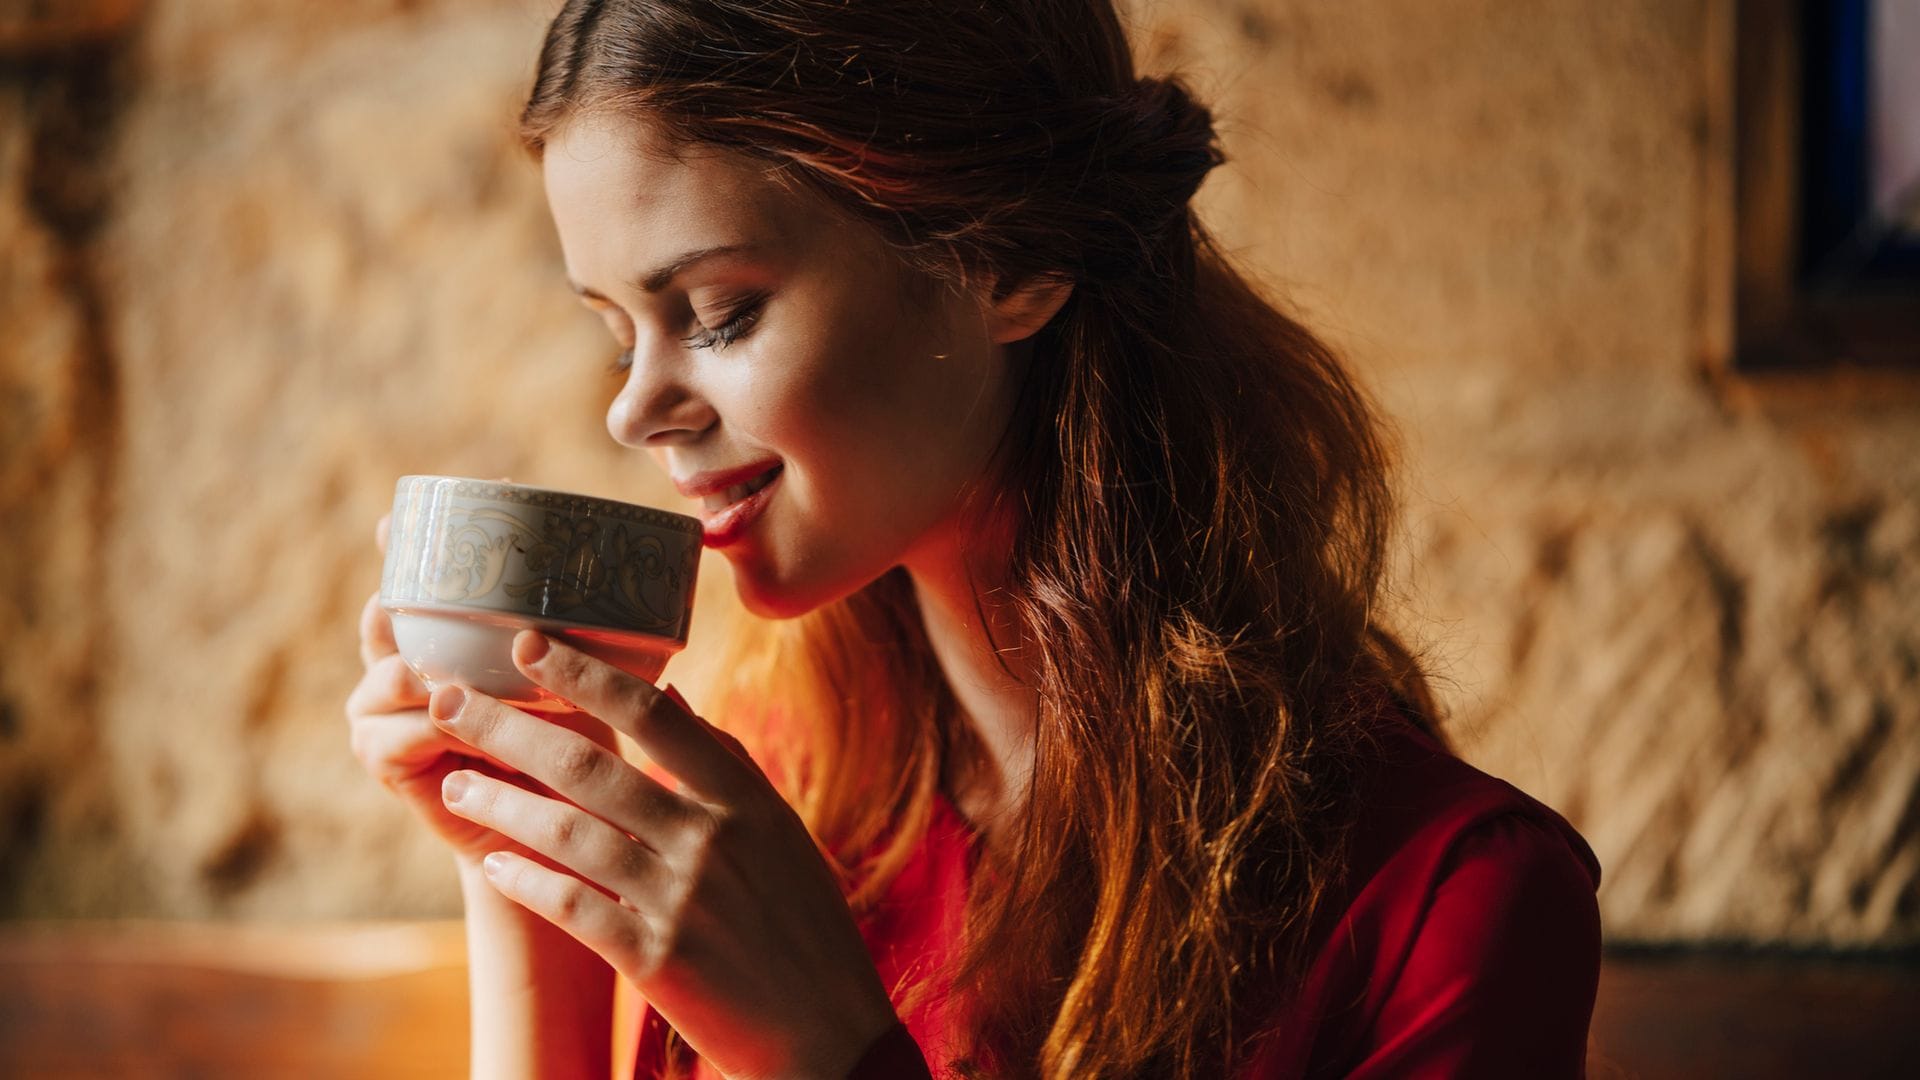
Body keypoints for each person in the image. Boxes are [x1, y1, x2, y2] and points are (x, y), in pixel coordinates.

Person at [346, 1, 1603, 1077]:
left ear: (1012, 261)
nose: (635, 409)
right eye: (621, 332)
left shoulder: (1450, 906)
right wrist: (520, 862)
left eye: (720, 314)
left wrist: (832, 1050)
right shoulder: (783, 790)